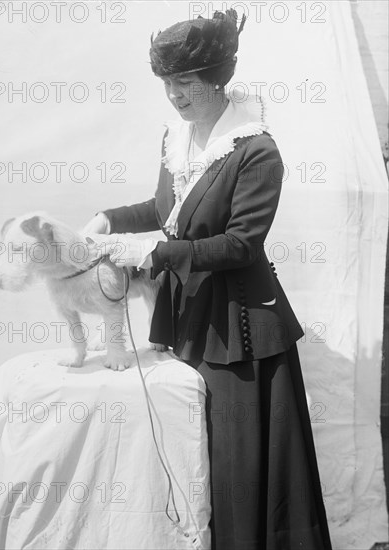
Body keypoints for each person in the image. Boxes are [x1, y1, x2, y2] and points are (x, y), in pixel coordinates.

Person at [83, 9, 333, 550]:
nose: (174, 95)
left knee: (237, 461)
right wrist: (111, 220)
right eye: (167, 83)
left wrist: (152, 253)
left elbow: (241, 245)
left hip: (240, 327)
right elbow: (163, 208)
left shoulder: (256, 150)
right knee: (194, 448)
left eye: (186, 83)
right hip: (193, 314)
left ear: (217, 80)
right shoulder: (178, 139)